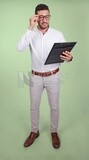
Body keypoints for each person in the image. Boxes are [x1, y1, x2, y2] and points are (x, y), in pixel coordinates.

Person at [17, 4, 73, 149]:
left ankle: (54, 132)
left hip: (53, 76)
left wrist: (69, 57)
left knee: (54, 106)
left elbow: (66, 54)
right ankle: (34, 131)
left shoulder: (57, 34)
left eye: (46, 16)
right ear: (36, 17)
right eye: (41, 16)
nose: (44, 19)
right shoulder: (31, 34)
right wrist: (30, 27)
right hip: (35, 77)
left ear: (49, 16)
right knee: (34, 107)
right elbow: (20, 48)